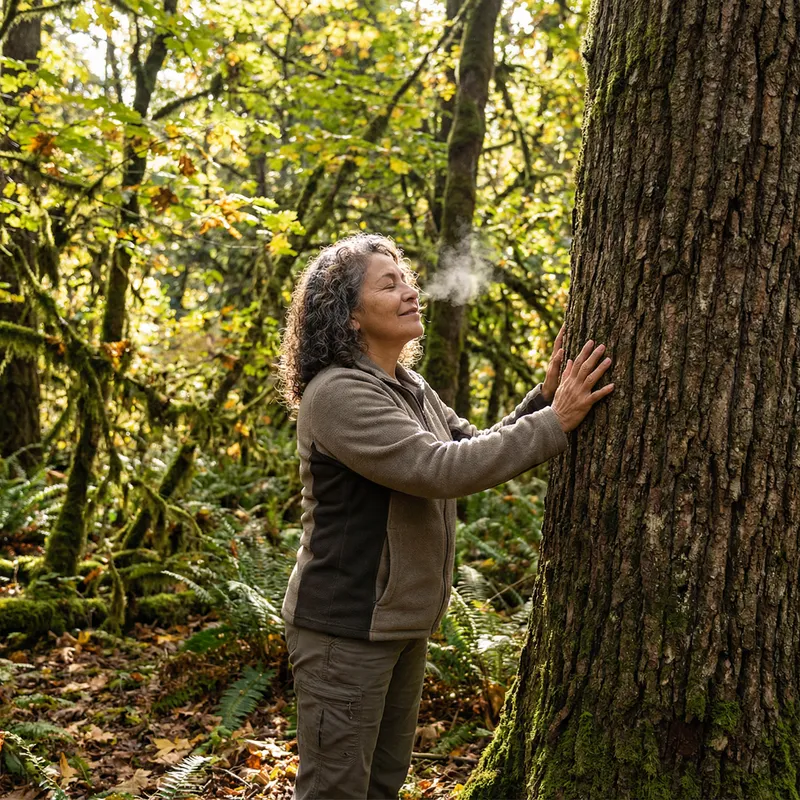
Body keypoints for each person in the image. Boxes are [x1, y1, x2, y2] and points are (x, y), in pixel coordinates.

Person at [278, 233, 614, 799]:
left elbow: (471, 443)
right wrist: (556, 422)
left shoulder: (408, 386)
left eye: (406, 279)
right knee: (337, 791)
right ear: (350, 316)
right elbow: (440, 469)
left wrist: (543, 399)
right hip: (345, 629)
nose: (410, 292)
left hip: (398, 623)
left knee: (383, 785)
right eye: (388, 284)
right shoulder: (337, 394)